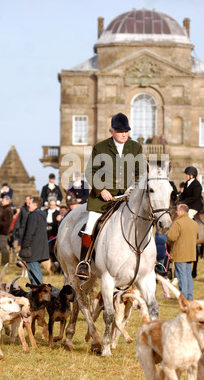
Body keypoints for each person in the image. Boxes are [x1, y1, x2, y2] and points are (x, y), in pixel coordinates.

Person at [76, 112, 144, 278]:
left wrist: (132, 188)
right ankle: (84, 262)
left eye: (126, 131)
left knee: (144, 220)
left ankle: (151, 262)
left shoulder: (135, 148)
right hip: (102, 199)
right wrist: (101, 190)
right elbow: (90, 172)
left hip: (127, 197)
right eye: (121, 131)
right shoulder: (101, 147)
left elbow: (140, 172)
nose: (124, 134)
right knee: (91, 224)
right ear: (111, 131)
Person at [167, 203, 198, 300]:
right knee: (188, 274)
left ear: (181, 211)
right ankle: (189, 296)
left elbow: (171, 237)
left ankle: (183, 297)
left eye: (177, 210)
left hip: (180, 252)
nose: (175, 212)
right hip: (191, 252)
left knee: (181, 275)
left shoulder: (178, 222)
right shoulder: (193, 222)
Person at [19, 196, 49, 285]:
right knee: (36, 272)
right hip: (39, 249)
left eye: (30, 203)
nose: (28, 205)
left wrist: (25, 247)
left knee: (34, 275)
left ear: (35, 204)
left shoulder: (33, 216)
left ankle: (38, 294)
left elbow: (30, 233)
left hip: (32, 249)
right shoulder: (41, 215)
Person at [0, 195, 13, 265]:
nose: (2, 201)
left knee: (3, 248)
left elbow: (7, 223)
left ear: (7, 201)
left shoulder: (7, 210)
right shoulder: (5, 209)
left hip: (3, 231)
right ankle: (4, 262)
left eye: (3, 200)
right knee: (2, 247)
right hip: (2, 231)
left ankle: (5, 263)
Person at [46, 199, 60, 265]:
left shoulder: (58, 213)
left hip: (54, 233)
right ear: (49, 205)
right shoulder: (45, 212)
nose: (52, 206)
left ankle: (55, 262)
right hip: (46, 233)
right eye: (51, 205)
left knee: (53, 248)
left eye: (54, 205)